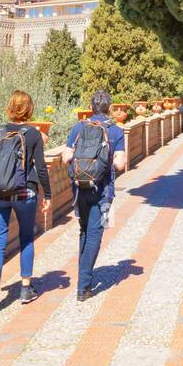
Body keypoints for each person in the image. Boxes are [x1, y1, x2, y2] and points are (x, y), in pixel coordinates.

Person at [0, 89, 51, 315]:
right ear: (29, 109)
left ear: (10, 107)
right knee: (27, 238)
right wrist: (47, 194)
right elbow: (40, 168)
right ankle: (26, 289)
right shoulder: (33, 134)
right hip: (24, 193)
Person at [61, 90, 126, 301]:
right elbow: (120, 163)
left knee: (83, 231)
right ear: (110, 107)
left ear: (91, 106)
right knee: (96, 234)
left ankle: (83, 276)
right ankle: (84, 286)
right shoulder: (115, 130)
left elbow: (65, 157)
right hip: (104, 190)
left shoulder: (79, 127)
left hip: (79, 188)